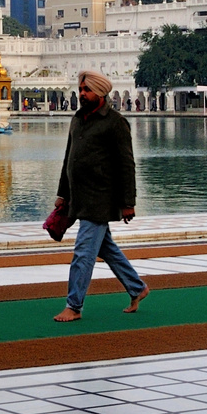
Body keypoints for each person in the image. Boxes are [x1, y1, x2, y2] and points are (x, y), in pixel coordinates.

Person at [52, 70, 147, 322]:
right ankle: (137, 288)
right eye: (80, 89)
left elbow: (127, 165)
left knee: (84, 252)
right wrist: (63, 193)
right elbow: (68, 159)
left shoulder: (115, 123)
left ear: (101, 92)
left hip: (101, 198)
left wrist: (128, 203)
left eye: (87, 90)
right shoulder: (77, 119)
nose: (82, 94)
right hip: (79, 197)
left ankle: (74, 305)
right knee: (107, 249)